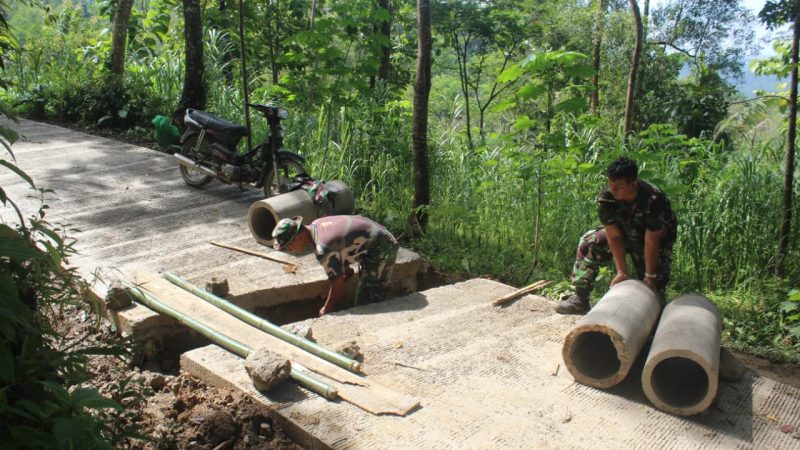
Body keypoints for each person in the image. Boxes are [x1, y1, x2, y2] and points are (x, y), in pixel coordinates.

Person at [555, 156, 677, 315]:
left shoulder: (653, 199)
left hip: (655, 240)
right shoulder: (607, 198)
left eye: (618, 187)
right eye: (610, 184)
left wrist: (650, 276)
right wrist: (621, 272)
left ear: (633, 184)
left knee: (652, 286)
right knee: (589, 243)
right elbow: (614, 236)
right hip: (625, 233)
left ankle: (655, 312)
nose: (613, 190)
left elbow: (651, 241)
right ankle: (580, 299)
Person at [272, 215, 400, 316]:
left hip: (382, 247)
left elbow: (338, 283)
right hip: (377, 236)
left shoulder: (323, 248)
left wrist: (326, 309)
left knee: (366, 302)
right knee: (365, 290)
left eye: (289, 246)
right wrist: (344, 266)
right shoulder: (316, 224)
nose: (290, 250)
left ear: (298, 237)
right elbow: (342, 243)